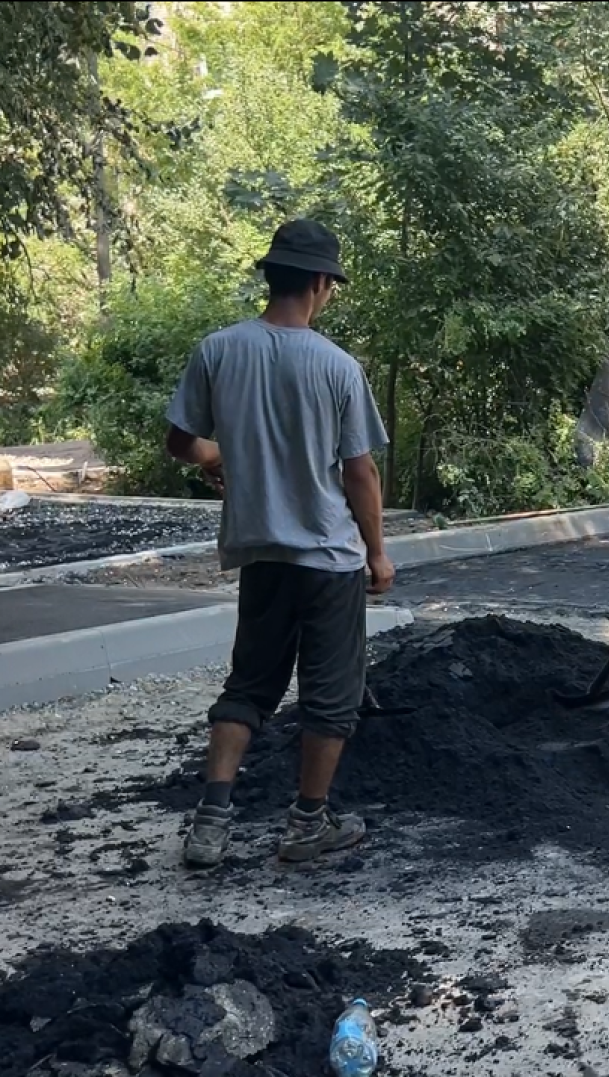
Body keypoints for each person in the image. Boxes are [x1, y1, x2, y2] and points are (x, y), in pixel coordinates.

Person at [167, 219, 395, 869]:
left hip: (259, 552)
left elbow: (181, 442)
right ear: (322, 283)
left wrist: (217, 453)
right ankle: (306, 825)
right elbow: (359, 472)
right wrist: (377, 552)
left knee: (248, 686)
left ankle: (211, 822)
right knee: (331, 695)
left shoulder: (218, 350)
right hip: (327, 559)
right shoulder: (336, 366)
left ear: (272, 276)